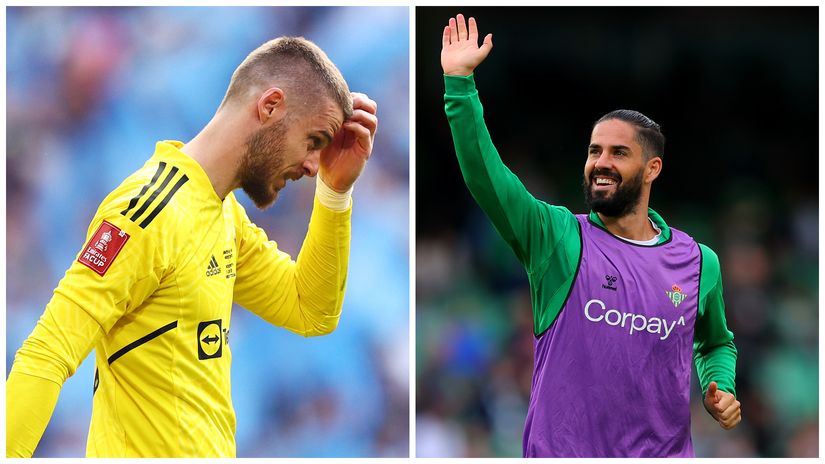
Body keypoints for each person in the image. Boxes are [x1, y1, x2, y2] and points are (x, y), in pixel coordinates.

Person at [6, 36, 378, 458]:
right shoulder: (145, 212)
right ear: (270, 105)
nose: (313, 166)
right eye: (313, 141)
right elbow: (47, 353)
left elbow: (310, 309)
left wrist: (334, 193)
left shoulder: (224, 216)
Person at [439, 14, 740, 457]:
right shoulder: (559, 239)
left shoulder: (699, 262)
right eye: (594, 150)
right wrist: (460, 86)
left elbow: (715, 341)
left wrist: (720, 385)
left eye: (619, 152)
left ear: (652, 168)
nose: (601, 162)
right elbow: (488, 178)